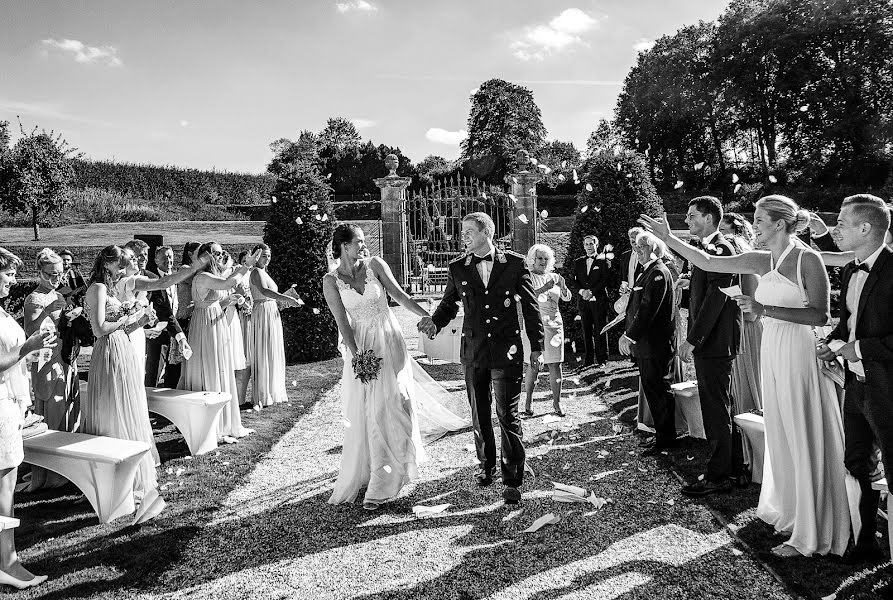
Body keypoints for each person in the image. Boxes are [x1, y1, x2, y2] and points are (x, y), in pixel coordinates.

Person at [641, 194, 851, 557]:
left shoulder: (808, 258)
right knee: (782, 430)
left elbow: (820, 315)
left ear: (780, 224)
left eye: (759, 219)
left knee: (800, 428)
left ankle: (812, 529)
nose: (753, 225)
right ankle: (791, 512)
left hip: (798, 350)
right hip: (773, 348)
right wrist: (670, 239)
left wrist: (762, 308)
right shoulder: (760, 258)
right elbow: (706, 260)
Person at [324, 224, 469, 509]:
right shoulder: (331, 281)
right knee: (373, 409)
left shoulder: (375, 264)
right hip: (364, 346)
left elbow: (401, 297)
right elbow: (342, 322)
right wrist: (357, 356)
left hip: (390, 339)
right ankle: (378, 480)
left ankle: (397, 466)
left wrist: (431, 318)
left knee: (397, 401)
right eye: (358, 242)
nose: (363, 247)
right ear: (343, 246)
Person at [420, 212, 544, 506]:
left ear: (486, 232)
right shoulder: (457, 267)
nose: (463, 236)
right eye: (462, 231)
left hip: (507, 350)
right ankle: (486, 465)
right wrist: (435, 323)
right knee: (480, 412)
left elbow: (530, 306)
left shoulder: (514, 264)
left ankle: (513, 478)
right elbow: (449, 304)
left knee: (508, 414)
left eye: (468, 231)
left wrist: (537, 346)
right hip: (473, 351)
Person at [816, 195, 893, 566]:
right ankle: (866, 546)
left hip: (888, 387)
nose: (835, 230)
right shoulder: (849, 270)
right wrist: (833, 344)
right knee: (857, 463)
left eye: (842, 223)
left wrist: (858, 347)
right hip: (856, 386)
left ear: (866, 228)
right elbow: (849, 321)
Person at [83, 245, 180, 525]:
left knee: (128, 406)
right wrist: (130, 317)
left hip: (122, 348)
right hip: (109, 351)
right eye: (124, 264)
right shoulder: (99, 289)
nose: (127, 268)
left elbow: (122, 325)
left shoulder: (113, 291)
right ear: (110, 265)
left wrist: (137, 320)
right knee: (113, 406)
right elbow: (98, 329)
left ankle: (131, 474)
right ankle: (111, 475)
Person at [658, 197, 743, 498]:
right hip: (714, 340)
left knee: (715, 407)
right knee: (719, 404)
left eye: (692, 216)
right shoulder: (707, 249)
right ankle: (733, 467)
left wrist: (693, 339)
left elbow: (715, 300)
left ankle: (719, 475)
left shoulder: (721, 248)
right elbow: (701, 295)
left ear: (709, 218)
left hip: (715, 341)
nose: (688, 222)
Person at [0, 247, 55, 589]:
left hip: (11, 402)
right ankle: (8, 564)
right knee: (4, 491)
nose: (12, 280)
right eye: (7, 273)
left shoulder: (3, 313)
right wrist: (26, 347)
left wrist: (30, 354)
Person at [179, 242, 257, 442]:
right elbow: (228, 284)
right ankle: (211, 425)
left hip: (214, 320)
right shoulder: (203, 277)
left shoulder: (212, 276)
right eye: (216, 253)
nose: (222, 255)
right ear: (206, 257)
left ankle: (225, 422)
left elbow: (223, 288)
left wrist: (228, 301)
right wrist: (246, 266)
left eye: (222, 252)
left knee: (220, 367)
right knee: (210, 367)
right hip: (206, 324)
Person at [21, 248, 80, 491]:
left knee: (67, 406)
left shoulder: (60, 294)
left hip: (65, 356)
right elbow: (30, 331)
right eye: (51, 274)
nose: (57, 278)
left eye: (60, 273)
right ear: (41, 273)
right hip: (46, 359)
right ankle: (50, 474)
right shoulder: (34, 298)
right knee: (52, 407)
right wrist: (49, 310)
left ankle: (64, 467)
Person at [619, 232, 677, 456]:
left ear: (655, 249)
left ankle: (666, 437)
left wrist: (629, 336)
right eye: (636, 247)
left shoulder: (658, 272)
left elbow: (648, 310)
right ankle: (662, 435)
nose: (638, 251)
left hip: (656, 344)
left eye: (642, 247)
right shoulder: (648, 271)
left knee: (659, 389)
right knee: (653, 389)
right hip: (647, 344)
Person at [720, 213, 764, 481]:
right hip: (739, 332)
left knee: (749, 389)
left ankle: (753, 455)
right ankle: (744, 452)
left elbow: (753, 313)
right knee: (737, 389)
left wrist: (732, 303)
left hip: (748, 333)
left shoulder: (748, 269)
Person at [520, 244, 571, 417]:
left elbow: (567, 297)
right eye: (539, 258)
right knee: (534, 365)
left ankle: (557, 403)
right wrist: (546, 287)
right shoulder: (528, 277)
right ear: (533, 260)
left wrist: (563, 288)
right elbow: (527, 298)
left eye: (546, 259)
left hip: (555, 324)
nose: (542, 262)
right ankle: (528, 401)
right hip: (536, 324)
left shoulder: (555, 276)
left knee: (556, 364)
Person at [249, 243, 299, 408]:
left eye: (269, 255)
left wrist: (283, 301)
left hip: (271, 311)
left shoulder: (264, 272)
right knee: (264, 350)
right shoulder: (255, 272)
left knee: (272, 349)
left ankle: (273, 389)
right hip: (262, 312)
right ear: (256, 256)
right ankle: (263, 393)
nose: (267, 258)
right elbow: (264, 291)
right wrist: (287, 299)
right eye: (264, 255)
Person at [144, 246, 189, 387]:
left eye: (170, 256)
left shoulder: (176, 278)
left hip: (174, 330)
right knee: (153, 371)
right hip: (158, 333)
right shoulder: (153, 280)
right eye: (164, 257)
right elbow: (163, 310)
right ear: (156, 260)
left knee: (174, 371)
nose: (168, 260)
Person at [570, 234, 611, 366]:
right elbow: (574, 281)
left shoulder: (603, 260)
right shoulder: (578, 262)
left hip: (598, 300)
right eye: (586, 244)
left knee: (600, 330)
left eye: (591, 244)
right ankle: (588, 360)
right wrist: (582, 292)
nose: (588, 246)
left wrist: (592, 291)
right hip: (584, 302)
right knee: (586, 331)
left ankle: (602, 359)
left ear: (596, 245)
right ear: (583, 246)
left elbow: (605, 280)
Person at [165, 241, 201, 388]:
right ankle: (171, 386)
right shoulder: (185, 269)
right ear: (191, 254)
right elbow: (197, 280)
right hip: (183, 316)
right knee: (178, 359)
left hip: (191, 315)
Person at [220, 251, 251, 407]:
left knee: (234, 357)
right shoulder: (221, 277)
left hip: (233, 316)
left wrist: (241, 300)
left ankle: (233, 397)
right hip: (223, 316)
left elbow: (240, 297)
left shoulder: (235, 276)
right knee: (224, 356)